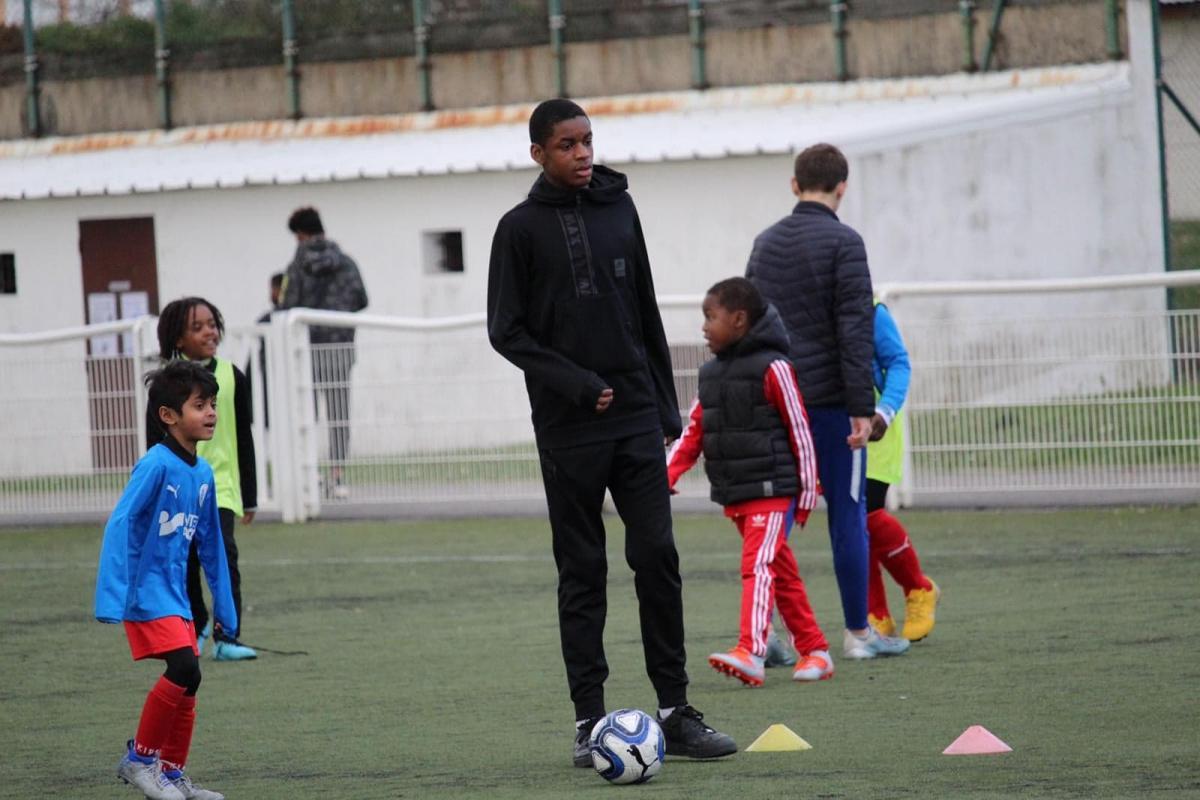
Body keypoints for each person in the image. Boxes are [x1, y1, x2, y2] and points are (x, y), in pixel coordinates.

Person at [487, 98, 737, 768]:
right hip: (567, 428)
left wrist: (664, 405)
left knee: (656, 555)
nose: (582, 154)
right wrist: (575, 383)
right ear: (538, 153)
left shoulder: (621, 209)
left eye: (587, 141)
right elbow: (506, 332)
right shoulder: (517, 230)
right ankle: (588, 720)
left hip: (633, 418)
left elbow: (643, 308)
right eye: (567, 145)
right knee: (583, 571)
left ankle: (675, 711)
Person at [746, 142, 909, 660]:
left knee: (774, 519)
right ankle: (858, 634)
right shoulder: (846, 243)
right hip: (834, 406)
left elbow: (749, 325)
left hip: (778, 402)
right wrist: (863, 408)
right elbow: (853, 329)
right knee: (848, 515)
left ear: (794, 185)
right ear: (843, 187)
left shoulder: (764, 244)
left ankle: (765, 635)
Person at [666, 278, 834, 686]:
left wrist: (807, 491)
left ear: (739, 320)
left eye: (711, 317)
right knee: (781, 572)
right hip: (738, 494)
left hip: (773, 491)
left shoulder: (776, 368)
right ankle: (816, 651)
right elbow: (695, 432)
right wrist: (664, 475)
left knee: (756, 565)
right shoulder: (709, 375)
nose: (704, 327)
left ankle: (752, 651)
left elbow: (800, 430)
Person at [96, 360, 237, 800]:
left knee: (191, 678)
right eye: (200, 405)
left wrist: (225, 608)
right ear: (168, 415)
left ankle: (171, 772)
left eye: (213, 404)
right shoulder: (155, 465)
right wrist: (112, 594)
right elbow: (120, 522)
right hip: (145, 592)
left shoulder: (203, 473)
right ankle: (140, 760)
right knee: (184, 667)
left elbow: (211, 544)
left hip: (174, 593)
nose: (211, 413)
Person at [150, 298, 258, 662]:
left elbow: (244, 437)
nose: (209, 332)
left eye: (212, 324)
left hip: (221, 486)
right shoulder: (166, 384)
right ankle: (195, 624)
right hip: (180, 488)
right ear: (178, 339)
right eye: (197, 327)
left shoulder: (232, 376)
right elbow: (154, 441)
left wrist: (250, 494)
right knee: (185, 559)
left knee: (224, 557)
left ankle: (227, 636)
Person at [278, 207, 369, 498]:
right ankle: (338, 476)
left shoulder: (297, 267)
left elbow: (286, 305)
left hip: (306, 351)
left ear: (300, 235)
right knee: (339, 414)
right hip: (340, 348)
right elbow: (362, 299)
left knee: (306, 413)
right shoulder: (346, 262)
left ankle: (311, 474)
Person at [865, 300, 940, 641]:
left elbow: (898, 362)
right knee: (850, 525)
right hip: (832, 428)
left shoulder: (872, 312)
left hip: (874, 429)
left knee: (867, 515)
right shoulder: (808, 311)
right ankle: (876, 615)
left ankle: (918, 588)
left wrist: (886, 410)